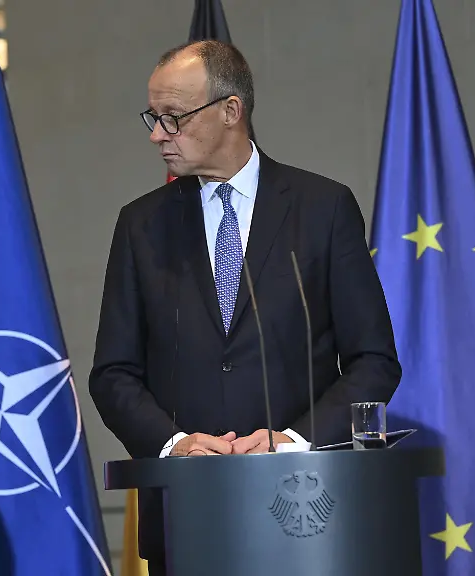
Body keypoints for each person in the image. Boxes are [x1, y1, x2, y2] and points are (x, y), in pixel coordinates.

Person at [88, 40, 401, 574]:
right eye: (153, 117)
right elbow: (113, 373)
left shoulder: (322, 208)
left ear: (231, 110)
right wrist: (175, 443)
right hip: (187, 514)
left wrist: (295, 440)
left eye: (173, 117)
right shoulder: (141, 224)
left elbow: (373, 361)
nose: (157, 134)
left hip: (310, 510)